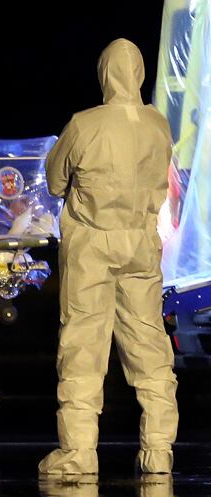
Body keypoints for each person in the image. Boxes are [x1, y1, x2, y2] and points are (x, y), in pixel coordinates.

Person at [39, 39, 179, 476]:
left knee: (83, 345)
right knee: (149, 344)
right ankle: (159, 450)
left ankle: (79, 454)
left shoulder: (85, 125)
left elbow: (55, 181)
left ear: (104, 74)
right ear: (139, 73)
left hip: (92, 247)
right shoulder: (158, 126)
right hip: (141, 244)